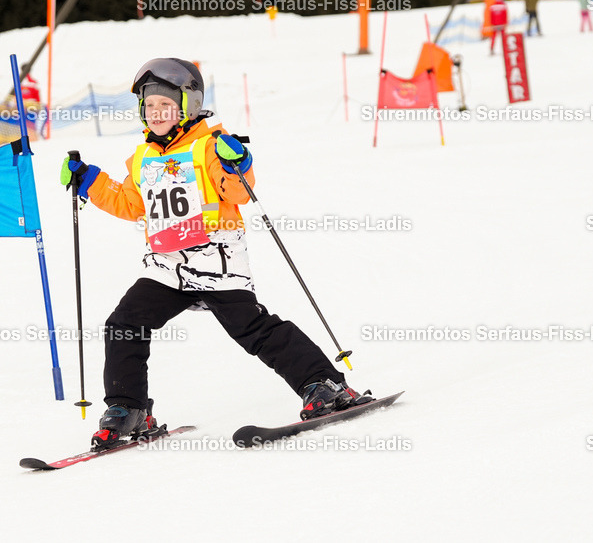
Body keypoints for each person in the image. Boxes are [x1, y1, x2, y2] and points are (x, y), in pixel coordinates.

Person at [60, 58, 372, 450]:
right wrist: (89, 180)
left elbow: (238, 192)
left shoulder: (210, 144)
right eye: (149, 106)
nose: (156, 114)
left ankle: (323, 385)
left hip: (215, 259)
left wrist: (236, 162)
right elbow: (132, 205)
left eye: (165, 106)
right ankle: (129, 409)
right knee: (124, 323)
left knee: (252, 329)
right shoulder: (143, 157)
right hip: (167, 264)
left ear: (186, 106)